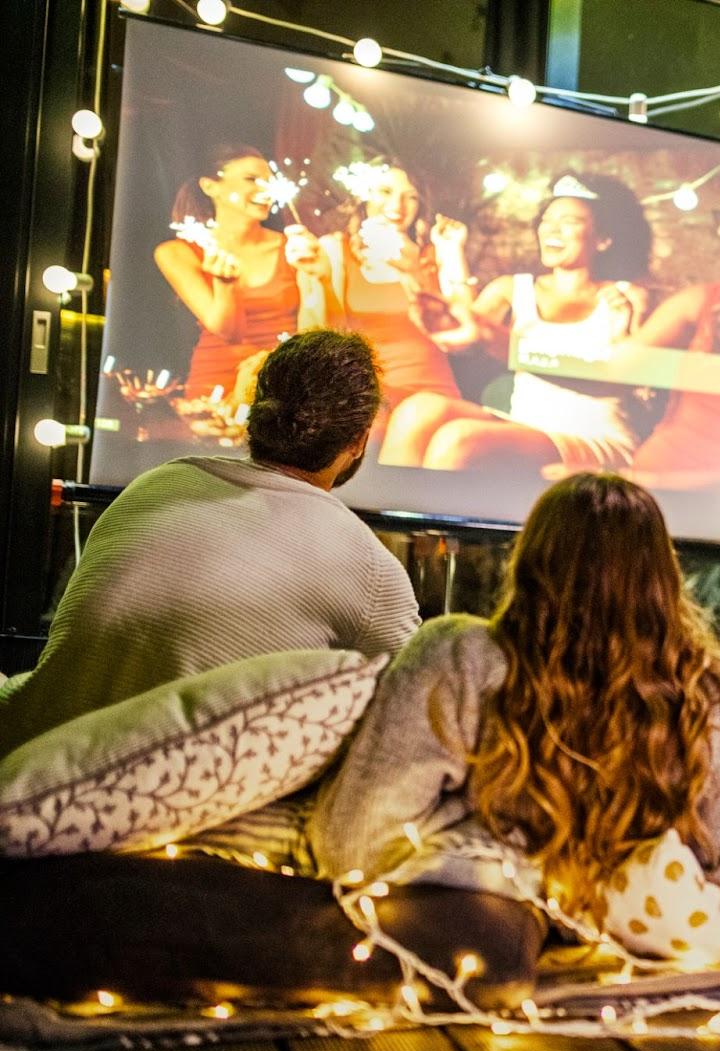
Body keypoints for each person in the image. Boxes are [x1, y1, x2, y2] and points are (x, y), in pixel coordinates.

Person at [307, 474, 720, 917]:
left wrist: (492, 840)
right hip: (647, 956)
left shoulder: (460, 657)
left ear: (528, 562)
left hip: (476, 940)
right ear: (664, 578)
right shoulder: (714, 690)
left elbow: (352, 844)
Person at [0, 330, 419, 755]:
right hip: (149, 799)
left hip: (21, 746)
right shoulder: (369, 569)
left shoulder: (156, 483)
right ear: (359, 439)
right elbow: (420, 712)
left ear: (256, 411)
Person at [378, 173, 655, 475]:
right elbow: (465, 332)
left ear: (603, 239)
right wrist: (450, 252)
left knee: (459, 441)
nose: (552, 230)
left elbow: (626, 376)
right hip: (523, 423)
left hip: (593, 434)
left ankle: (431, 524)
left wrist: (626, 329)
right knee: (417, 411)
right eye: (547, 221)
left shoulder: (627, 297)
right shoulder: (512, 288)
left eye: (570, 221)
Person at [623, 172, 720, 492]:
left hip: (706, 502)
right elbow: (619, 365)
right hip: (644, 482)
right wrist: (631, 312)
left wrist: (658, 483)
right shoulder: (707, 301)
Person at [154, 144, 332, 400]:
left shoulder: (294, 247)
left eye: (270, 182)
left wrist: (318, 279)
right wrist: (225, 284)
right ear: (210, 186)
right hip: (215, 389)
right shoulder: (177, 252)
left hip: (280, 385)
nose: (266, 189)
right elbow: (228, 331)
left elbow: (316, 331)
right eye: (251, 179)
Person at [318, 161, 466, 410]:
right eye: (385, 192)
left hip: (432, 392)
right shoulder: (335, 250)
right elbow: (325, 332)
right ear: (364, 196)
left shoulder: (435, 253)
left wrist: (447, 255)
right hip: (365, 392)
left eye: (411, 197)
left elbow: (462, 335)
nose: (397, 206)